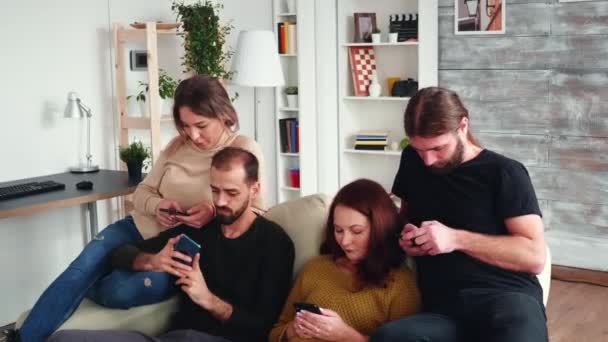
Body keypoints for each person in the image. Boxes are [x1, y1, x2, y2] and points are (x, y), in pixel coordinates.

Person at [15, 75, 267, 342]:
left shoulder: (243, 150)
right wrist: (158, 205)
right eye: (185, 126)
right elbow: (141, 193)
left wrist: (213, 212)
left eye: (201, 125)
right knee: (80, 269)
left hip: (175, 249)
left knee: (120, 290)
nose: (193, 135)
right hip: (135, 228)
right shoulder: (176, 146)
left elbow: (258, 214)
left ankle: (93, 278)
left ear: (223, 113)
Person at [48, 147, 295, 342]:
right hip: (173, 337)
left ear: (255, 189)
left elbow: (265, 329)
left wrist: (208, 299)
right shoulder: (200, 231)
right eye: (214, 190)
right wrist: (151, 260)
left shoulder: (274, 244)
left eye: (231, 193)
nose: (220, 201)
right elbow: (118, 253)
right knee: (63, 339)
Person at [370, 87, 548, 342]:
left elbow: (534, 256)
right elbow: (405, 218)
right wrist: (407, 236)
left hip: (507, 300)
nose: (428, 160)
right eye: (420, 149)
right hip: (443, 311)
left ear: (463, 126)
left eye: (438, 149)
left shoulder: (504, 173)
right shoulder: (412, 160)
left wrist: (455, 239)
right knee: (388, 338)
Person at [269, 179, 421, 342]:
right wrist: (292, 329)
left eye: (356, 231)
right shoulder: (315, 267)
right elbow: (275, 333)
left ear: (380, 229)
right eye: (338, 230)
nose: (345, 241)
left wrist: (349, 337)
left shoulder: (400, 284)